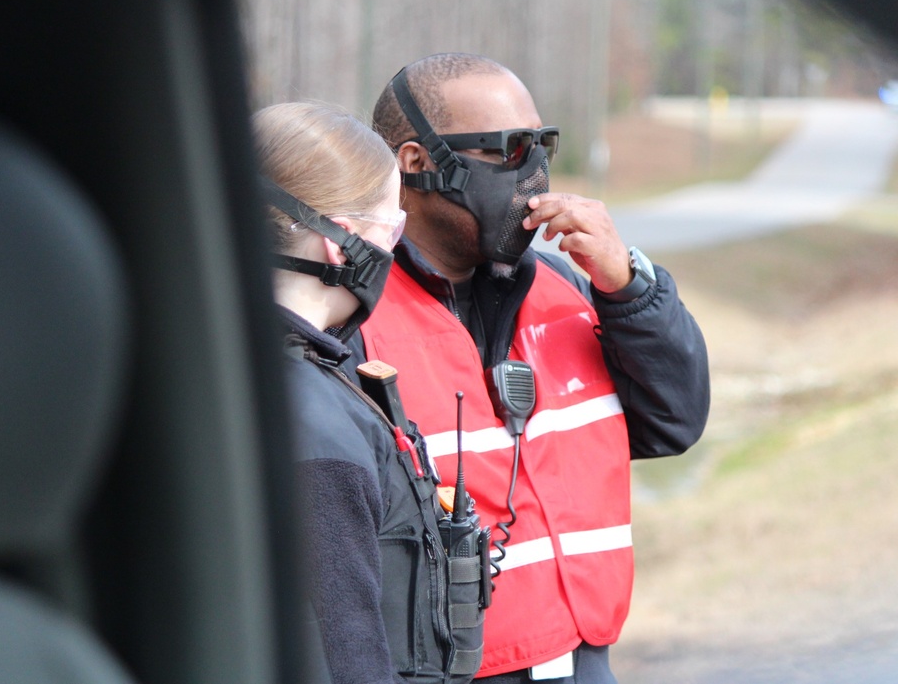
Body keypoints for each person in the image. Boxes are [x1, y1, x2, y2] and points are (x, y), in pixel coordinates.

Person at [343, 54, 711, 684]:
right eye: (509, 149)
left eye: (543, 143)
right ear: (416, 162)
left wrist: (629, 288)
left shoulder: (575, 286)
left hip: (585, 660)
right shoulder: (354, 319)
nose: (535, 171)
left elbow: (672, 422)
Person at [254, 100, 487, 684]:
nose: (397, 247)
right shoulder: (313, 424)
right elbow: (343, 654)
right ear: (344, 243)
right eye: (394, 228)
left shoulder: (210, 366)